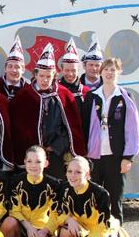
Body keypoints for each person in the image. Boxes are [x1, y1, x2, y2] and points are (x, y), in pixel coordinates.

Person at [10, 44, 86, 178]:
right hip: (32, 155)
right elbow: (18, 128)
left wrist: (56, 146)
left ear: (54, 76)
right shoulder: (24, 96)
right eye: (42, 76)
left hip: (56, 155)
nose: (45, 80)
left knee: (55, 184)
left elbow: (72, 127)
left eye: (48, 76)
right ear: (35, 74)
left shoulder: (64, 95)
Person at [82, 58, 139, 223]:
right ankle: (93, 234)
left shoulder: (125, 98)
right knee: (92, 199)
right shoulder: (92, 97)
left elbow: (132, 130)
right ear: (101, 72)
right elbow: (84, 126)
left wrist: (128, 157)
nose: (109, 73)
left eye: (113, 70)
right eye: (106, 69)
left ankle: (117, 236)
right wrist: (83, 156)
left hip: (116, 157)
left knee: (115, 200)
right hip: (94, 157)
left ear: (119, 72)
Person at [58, 156, 134, 237]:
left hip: (102, 231)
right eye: (69, 171)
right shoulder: (65, 188)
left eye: (78, 172)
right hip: (82, 228)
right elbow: (58, 212)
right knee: (65, 231)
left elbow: (103, 227)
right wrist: (68, 220)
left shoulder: (101, 193)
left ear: (87, 174)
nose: (72, 175)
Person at [0, 145, 61, 237]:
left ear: (46, 163)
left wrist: (45, 230)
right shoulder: (16, 181)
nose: (33, 165)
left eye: (38, 161)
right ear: (24, 162)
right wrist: (28, 227)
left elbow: (55, 213)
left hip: (41, 228)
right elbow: (14, 210)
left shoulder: (53, 184)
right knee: (8, 222)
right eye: (29, 161)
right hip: (22, 225)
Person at [59, 37, 91, 122]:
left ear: (78, 70)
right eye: (67, 70)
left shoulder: (86, 92)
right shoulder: (54, 90)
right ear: (61, 69)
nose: (70, 74)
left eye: (73, 70)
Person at [0, 36, 29, 100]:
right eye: (10, 66)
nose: (13, 70)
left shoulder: (29, 90)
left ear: (23, 69)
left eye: (17, 67)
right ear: (5, 68)